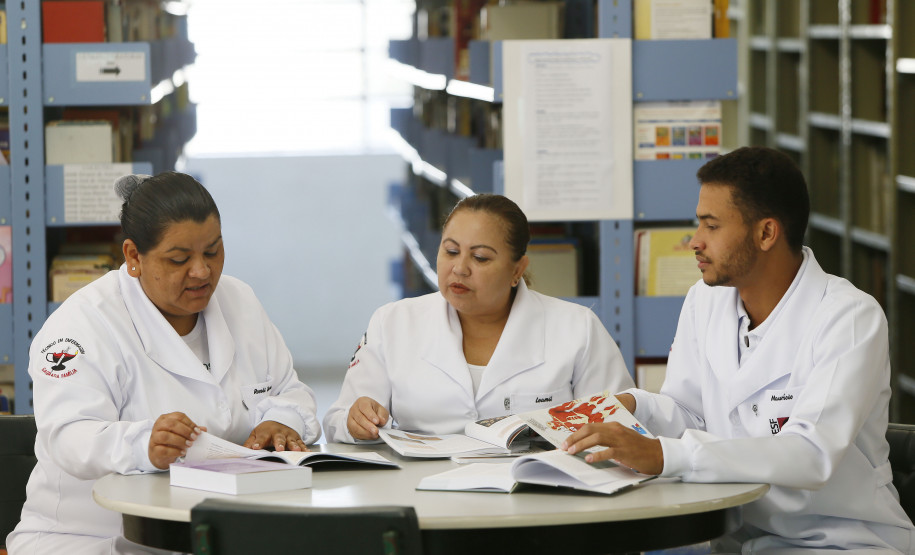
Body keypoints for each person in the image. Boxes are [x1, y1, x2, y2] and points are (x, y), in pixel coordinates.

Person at [562, 146, 915, 552]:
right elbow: (689, 411)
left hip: (839, 541)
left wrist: (665, 455)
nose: (694, 242)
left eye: (711, 227)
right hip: (740, 538)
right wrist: (631, 407)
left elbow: (811, 453)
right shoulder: (705, 299)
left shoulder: (849, 318)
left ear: (766, 233)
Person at [7, 172, 321, 554]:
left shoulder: (240, 302)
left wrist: (282, 422)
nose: (202, 272)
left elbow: (290, 389)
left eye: (212, 251)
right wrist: (144, 444)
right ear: (134, 257)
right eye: (179, 259)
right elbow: (67, 437)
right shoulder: (83, 325)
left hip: (214, 530)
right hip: (91, 539)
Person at [323, 193, 634, 443]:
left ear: (517, 270)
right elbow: (337, 421)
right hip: (424, 495)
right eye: (450, 251)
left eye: (481, 257)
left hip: (539, 494)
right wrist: (356, 420)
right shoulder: (392, 322)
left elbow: (620, 426)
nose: (460, 268)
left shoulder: (577, 328)